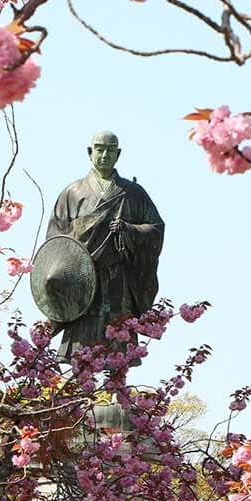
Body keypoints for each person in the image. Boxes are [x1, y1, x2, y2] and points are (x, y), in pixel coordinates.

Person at [45, 131, 165, 360]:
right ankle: (77, 390)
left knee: (117, 348)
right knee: (80, 349)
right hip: (81, 279)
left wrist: (129, 229)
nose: (104, 154)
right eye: (99, 149)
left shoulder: (134, 193)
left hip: (118, 278)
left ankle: (114, 392)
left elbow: (156, 228)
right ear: (90, 153)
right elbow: (55, 241)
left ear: (118, 154)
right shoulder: (72, 193)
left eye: (110, 150)